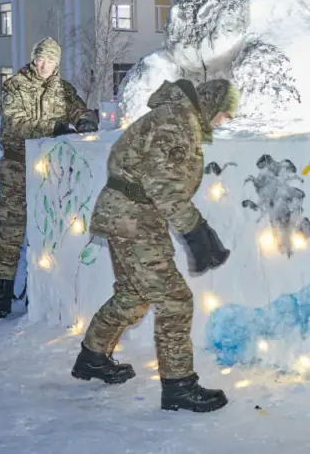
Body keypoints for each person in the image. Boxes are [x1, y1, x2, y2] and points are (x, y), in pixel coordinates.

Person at [71, 78, 239, 414]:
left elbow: (161, 181)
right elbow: (162, 183)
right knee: (175, 300)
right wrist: (195, 231)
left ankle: (93, 356)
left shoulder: (178, 117)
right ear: (211, 104)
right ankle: (179, 386)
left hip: (129, 215)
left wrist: (196, 229)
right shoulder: (177, 120)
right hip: (134, 219)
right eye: (225, 114)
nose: (224, 121)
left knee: (133, 296)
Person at [0, 37, 98, 319]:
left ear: (56, 62)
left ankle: (41, 294)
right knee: (10, 235)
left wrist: (86, 120)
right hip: (17, 170)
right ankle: (1, 296)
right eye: (39, 58)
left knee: (50, 235)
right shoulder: (15, 86)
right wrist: (54, 126)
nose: (42, 64)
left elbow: (80, 109)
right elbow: (15, 123)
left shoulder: (63, 89)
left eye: (48, 60)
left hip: (51, 175)